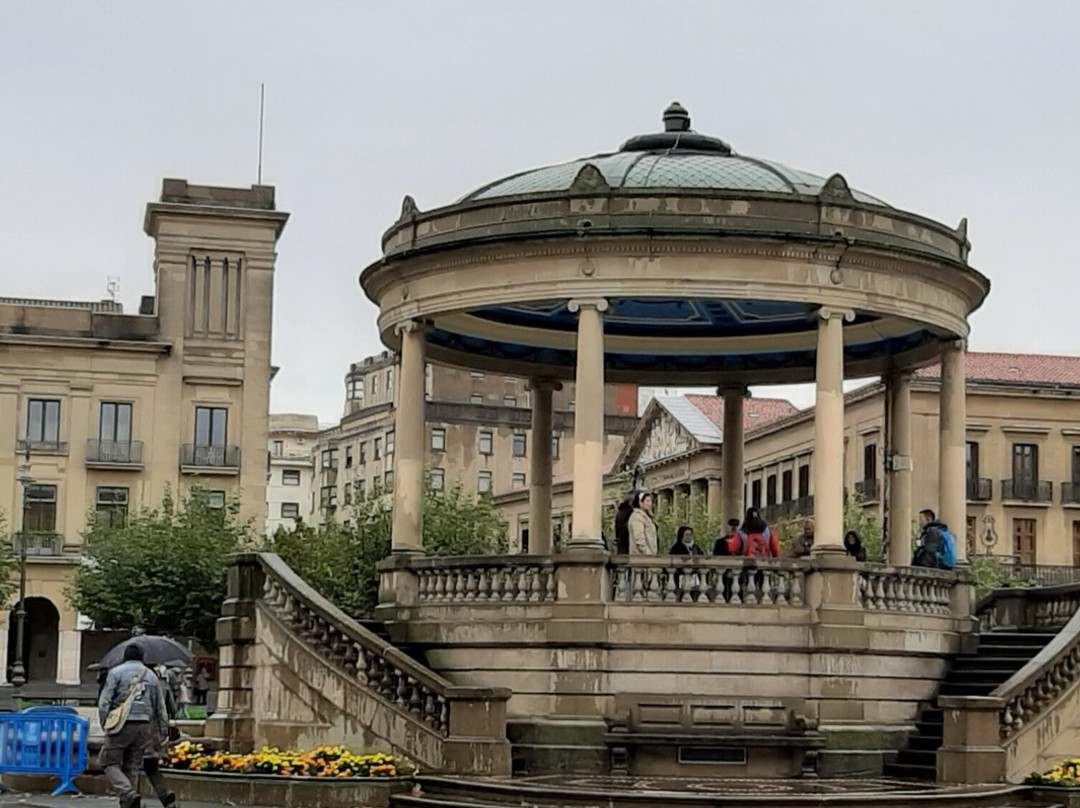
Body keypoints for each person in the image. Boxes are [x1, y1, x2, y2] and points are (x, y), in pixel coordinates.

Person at [98, 644, 174, 808]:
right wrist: (162, 730)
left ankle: (127, 793)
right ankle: (129, 803)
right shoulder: (152, 676)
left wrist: (105, 722)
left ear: (125, 655)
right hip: (144, 725)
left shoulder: (116, 673)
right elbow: (160, 707)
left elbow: (104, 702)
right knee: (132, 765)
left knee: (108, 761)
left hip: (122, 723)